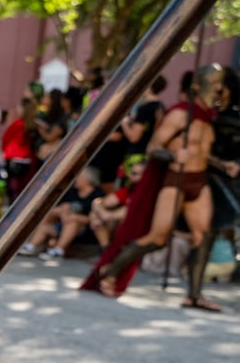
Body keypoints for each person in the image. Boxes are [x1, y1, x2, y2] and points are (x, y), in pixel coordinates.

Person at [84, 64, 235, 310]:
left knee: (203, 235)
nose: (219, 89)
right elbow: (153, 148)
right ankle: (109, 271)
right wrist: (174, 157)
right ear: (201, 84)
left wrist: (221, 164)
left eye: (221, 83)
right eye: (215, 82)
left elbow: (199, 153)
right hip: (176, 179)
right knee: (158, 236)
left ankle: (194, 295)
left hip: (198, 180)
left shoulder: (207, 120)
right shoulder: (179, 115)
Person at [17, 166, 102, 260]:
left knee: (72, 222)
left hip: (85, 230)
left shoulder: (97, 194)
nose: (76, 179)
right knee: (48, 218)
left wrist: (75, 217)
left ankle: (58, 250)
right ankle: (31, 246)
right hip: (63, 224)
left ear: (88, 179)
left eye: (79, 176)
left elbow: (95, 217)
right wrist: (63, 212)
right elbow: (60, 207)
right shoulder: (72, 192)